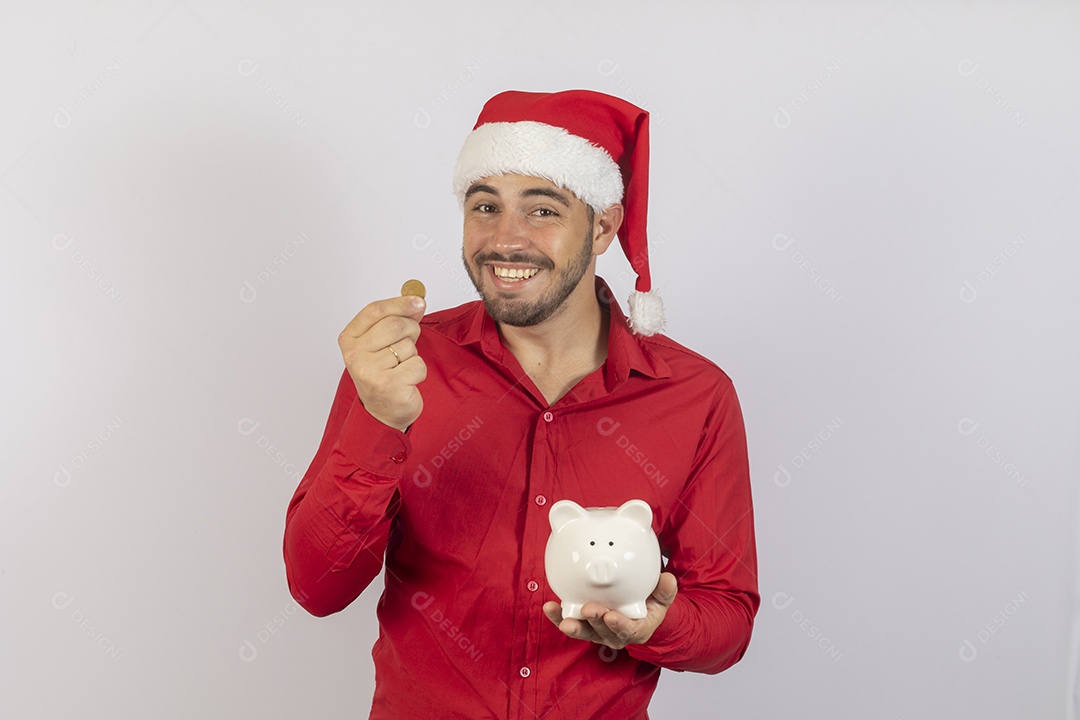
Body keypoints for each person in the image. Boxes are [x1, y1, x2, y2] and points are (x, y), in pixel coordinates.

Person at [283, 89, 758, 720]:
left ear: (605, 227)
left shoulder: (695, 395)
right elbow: (317, 587)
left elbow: (727, 621)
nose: (505, 239)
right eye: (485, 205)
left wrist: (653, 627)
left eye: (542, 209)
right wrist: (377, 423)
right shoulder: (398, 368)